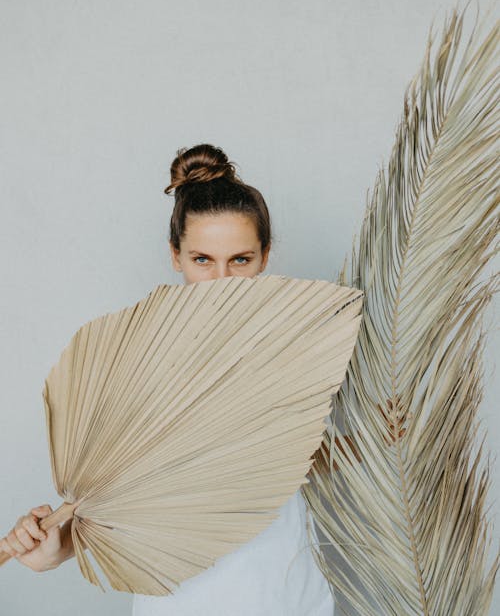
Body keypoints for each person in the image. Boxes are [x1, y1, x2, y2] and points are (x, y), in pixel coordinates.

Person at [0, 143, 336, 615]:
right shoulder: (130, 367)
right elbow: (115, 498)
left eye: (240, 259)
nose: (222, 280)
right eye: (202, 260)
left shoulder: (314, 346)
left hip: (286, 601)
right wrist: (53, 546)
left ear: (266, 256)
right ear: (175, 256)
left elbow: (333, 464)